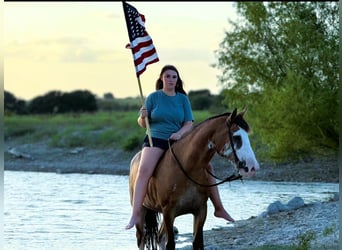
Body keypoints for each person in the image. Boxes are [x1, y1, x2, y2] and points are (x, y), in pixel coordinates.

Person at [125, 65, 234, 230]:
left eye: (174, 77)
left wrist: (179, 133)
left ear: (178, 80)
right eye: (167, 76)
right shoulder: (153, 97)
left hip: (178, 141)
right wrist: (142, 117)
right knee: (143, 170)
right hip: (155, 140)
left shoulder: (183, 99)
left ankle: (219, 208)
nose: (170, 79)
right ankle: (136, 213)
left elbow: (189, 123)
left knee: (207, 166)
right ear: (162, 78)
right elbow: (142, 124)